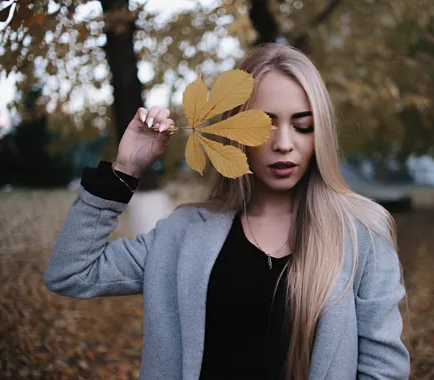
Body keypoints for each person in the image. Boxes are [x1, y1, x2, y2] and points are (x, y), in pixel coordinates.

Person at [44, 43, 410, 380]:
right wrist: (124, 171)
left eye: (303, 126)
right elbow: (72, 272)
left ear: (321, 134)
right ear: (235, 131)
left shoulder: (362, 234)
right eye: (264, 125)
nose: (284, 144)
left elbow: (383, 371)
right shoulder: (183, 234)